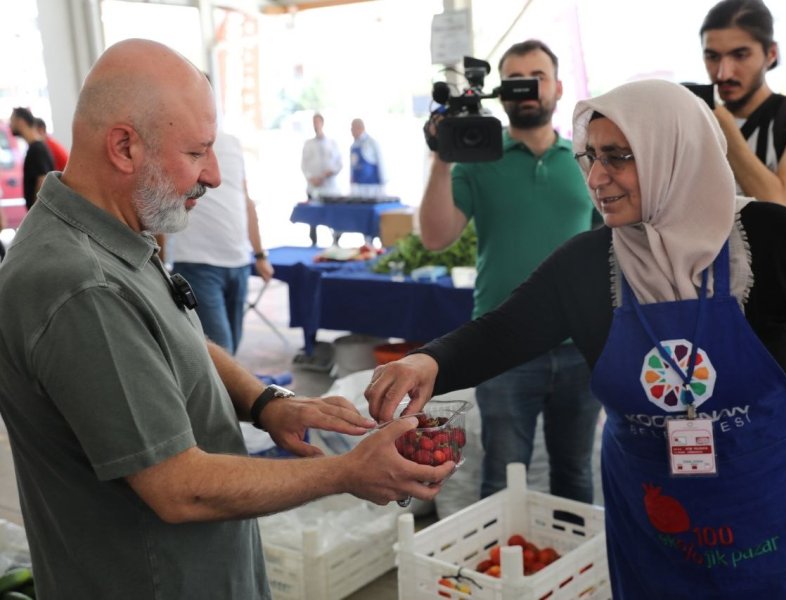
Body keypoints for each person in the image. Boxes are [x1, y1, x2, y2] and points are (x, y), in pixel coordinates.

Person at [366, 79, 786, 598]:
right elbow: (504, 331)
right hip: (657, 527)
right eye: (589, 156)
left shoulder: (771, 236)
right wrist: (429, 363)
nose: (596, 177)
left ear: (674, 151)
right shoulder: (588, 262)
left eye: (619, 156)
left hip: (780, 516)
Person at [0, 39, 454, 599]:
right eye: (197, 153)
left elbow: (175, 336)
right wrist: (347, 472)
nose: (214, 176)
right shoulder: (81, 285)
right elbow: (178, 487)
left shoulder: (112, 236)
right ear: (124, 147)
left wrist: (267, 404)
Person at [418, 39, 601, 503]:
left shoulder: (587, 162)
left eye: (536, 77)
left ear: (558, 88)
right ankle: (503, 574)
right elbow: (436, 237)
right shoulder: (478, 160)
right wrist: (442, 159)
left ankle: (568, 571)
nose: (526, 89)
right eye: (514, 79)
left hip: (581, 345)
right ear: (499, 91)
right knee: (502, 477)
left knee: (577, 473)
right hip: (503, 346)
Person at [700, 0, 786, 286]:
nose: (723, 73)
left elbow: (780, 201)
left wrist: (724, 126)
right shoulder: (700, 119)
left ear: (771, 53)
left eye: (740, 55)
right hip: (718, 291)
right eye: (712, 57)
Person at [165, 129, 275, 355]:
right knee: (221, 352)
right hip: (197, 263)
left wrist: (260, 255)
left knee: (231, 347)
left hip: (238, 263)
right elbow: (163, 197)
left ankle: (231, 391)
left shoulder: (232, 142)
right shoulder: (174, 136)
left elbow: (245, 200)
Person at [301, 112, 342, 246]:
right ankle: (313, 243)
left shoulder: (332, 143)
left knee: (333, 215)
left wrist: (329, 173)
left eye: (318, 122)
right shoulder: (308, 144)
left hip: (330, 187)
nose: (316, 125)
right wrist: (311, 178)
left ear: (322, 123)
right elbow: (304, 164)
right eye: (314, 123)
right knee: (313, 217)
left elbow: (339, 164)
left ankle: (335, 242)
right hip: (314, 186)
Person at [8, 107, 54, 210]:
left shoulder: (37, 149)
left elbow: (42, 181)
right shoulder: (36, 147)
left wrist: (36, 215)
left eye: (12, 121)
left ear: (21, 122)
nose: (10, 126)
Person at [349, 117, 385, 197]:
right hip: (357, 187)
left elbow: (382, 165)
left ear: (360, 128)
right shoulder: (353, 146)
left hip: (372, 187)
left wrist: (383, 184)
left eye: (353, 129)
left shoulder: (372, 143)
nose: (351, 132)